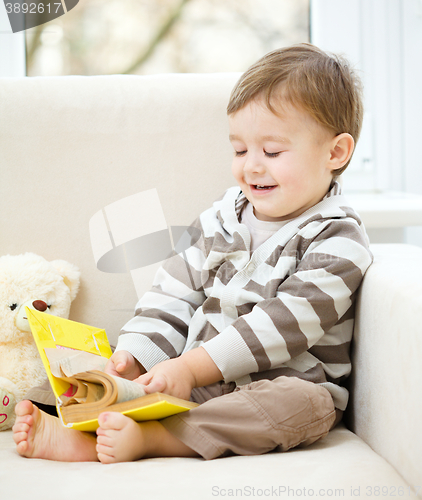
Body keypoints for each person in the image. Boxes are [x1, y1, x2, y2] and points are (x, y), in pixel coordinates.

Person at [13, 43, 373, 463]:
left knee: (306, 404)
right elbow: (172, 295)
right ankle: (84, 420)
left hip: (274, 388)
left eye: (272, 152)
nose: (251, 166)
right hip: (195, 383)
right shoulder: (221, 218)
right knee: (106, 371)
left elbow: (282, 325)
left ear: (335, 152)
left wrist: (188, 369)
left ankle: (155, 439)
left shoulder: (337, 239)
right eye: (240, 150)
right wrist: (137, 357)